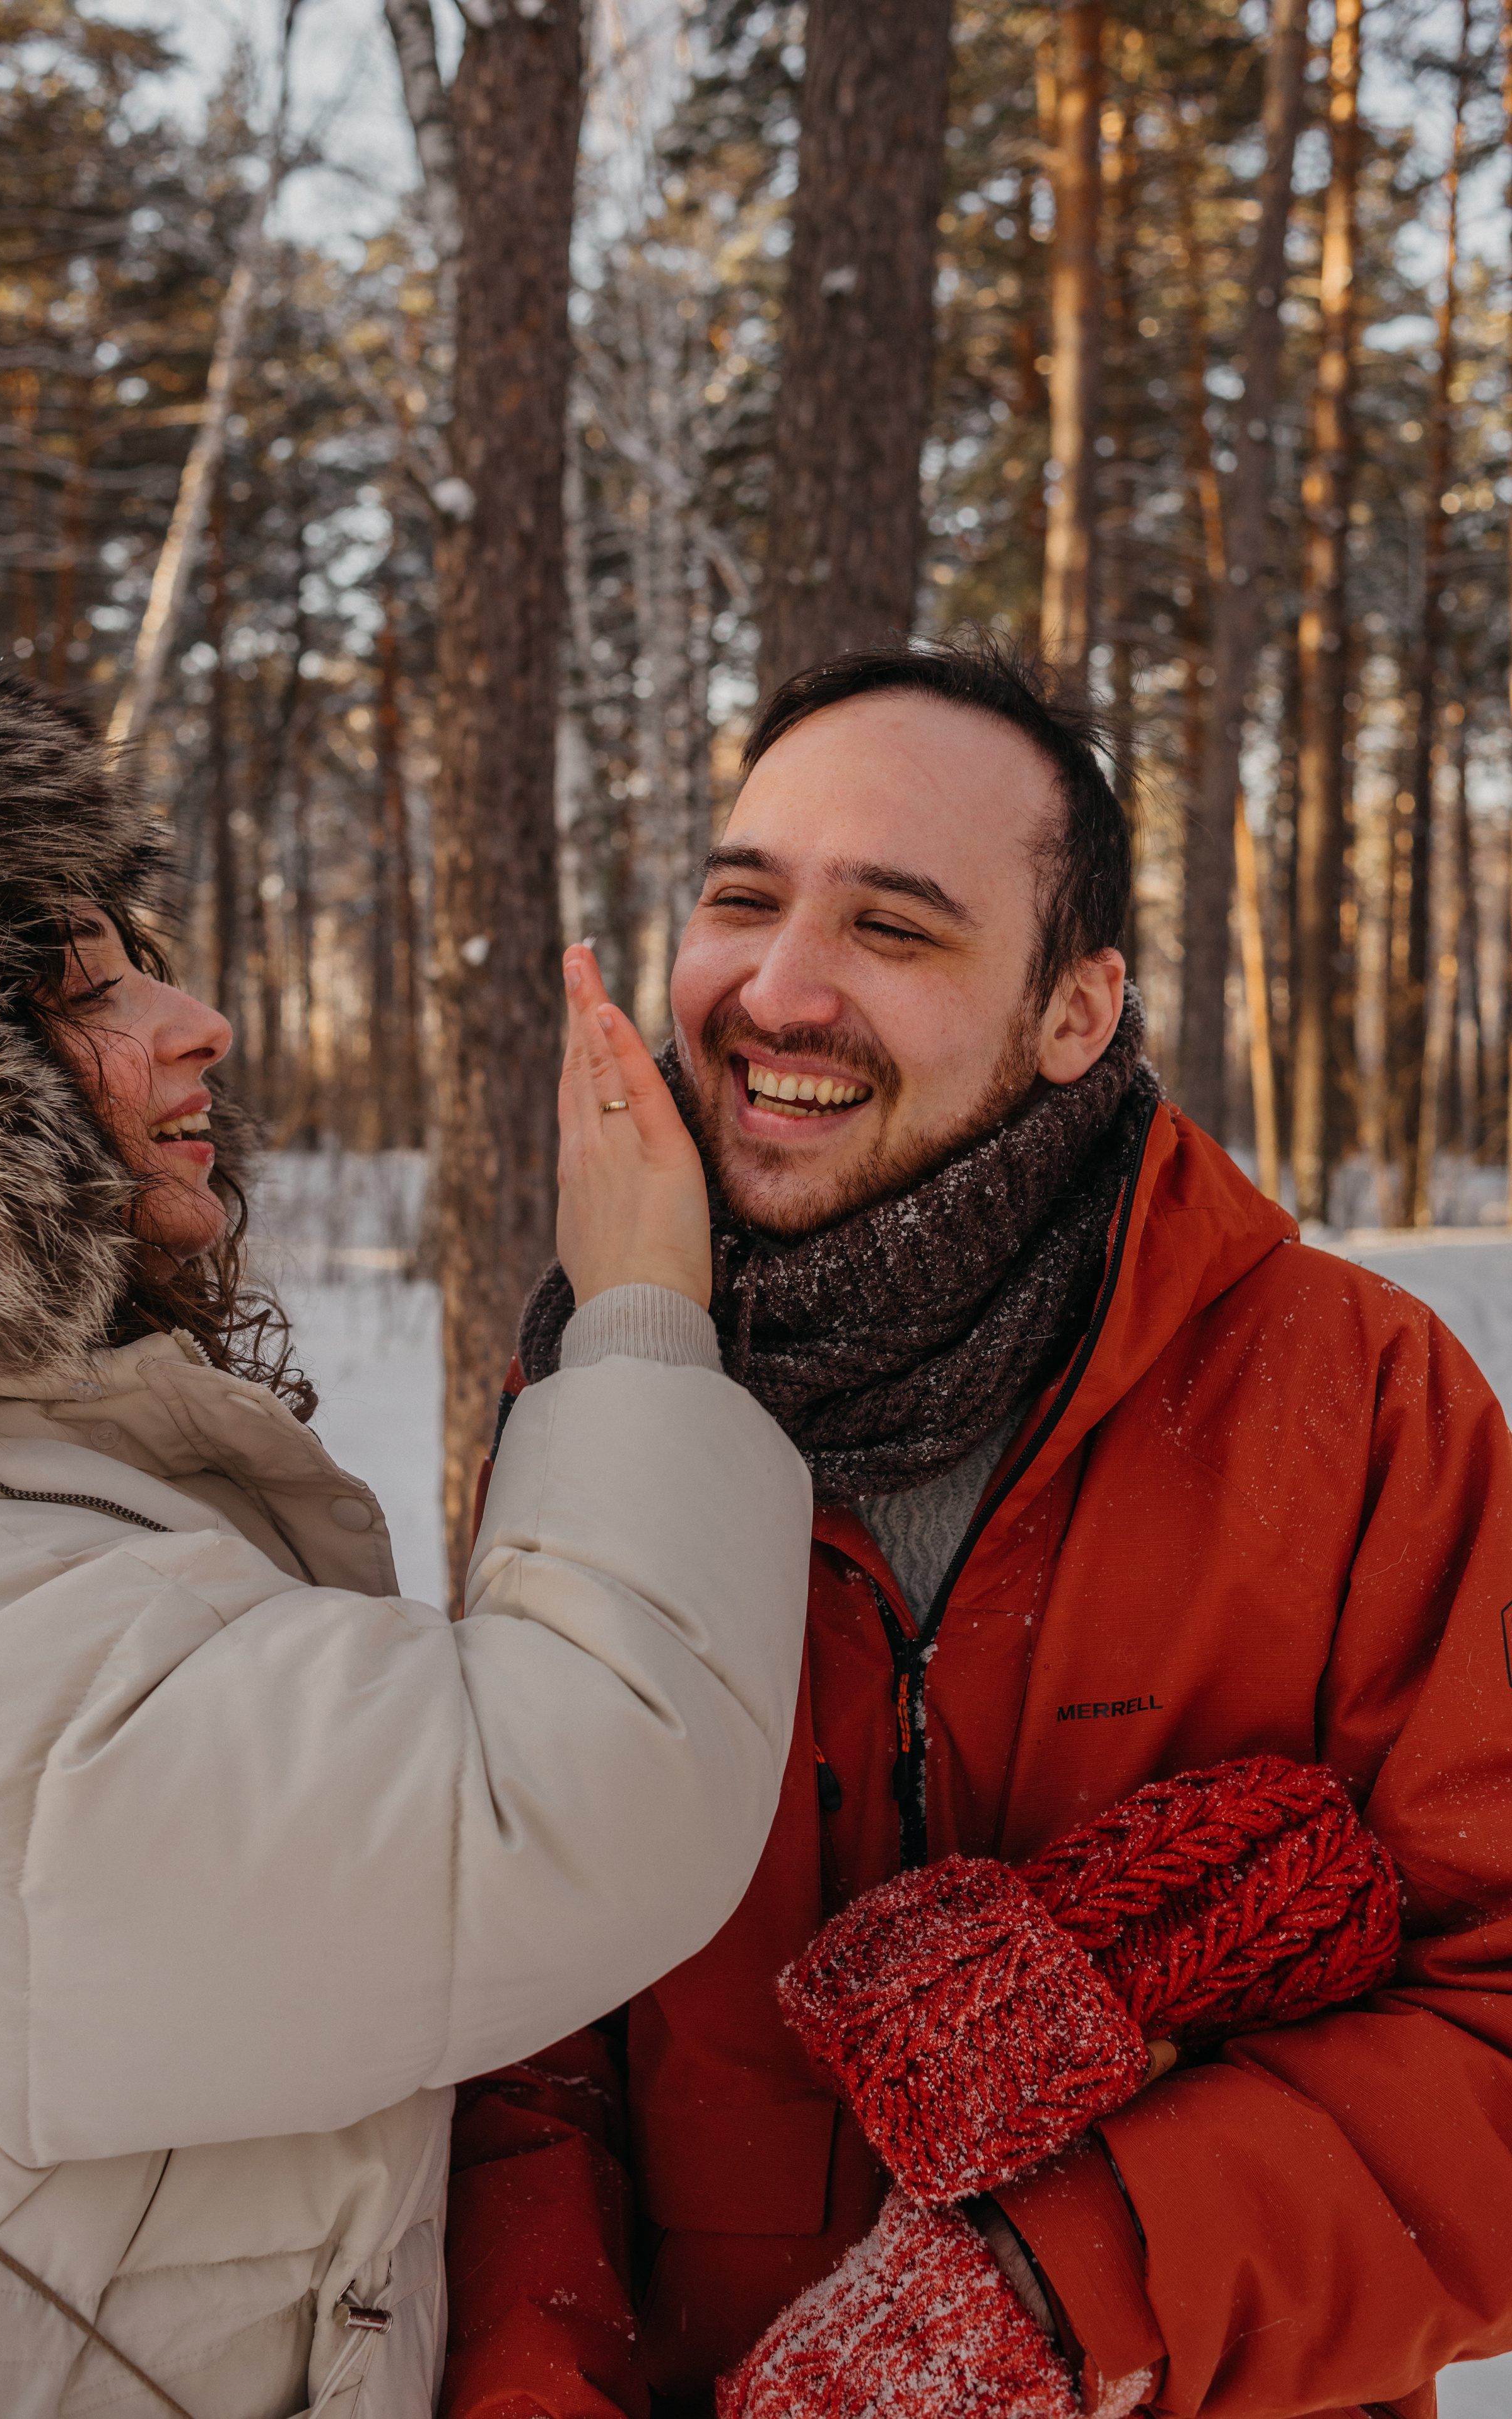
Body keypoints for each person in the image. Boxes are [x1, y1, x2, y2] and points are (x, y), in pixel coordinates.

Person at [443, 632, 1512, 2419]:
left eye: (893, 924)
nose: (778, 990)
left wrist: (1057, 2284)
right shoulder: (606, 1400)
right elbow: (520, 2048)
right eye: (745, 897)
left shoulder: (1361, 1404)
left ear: (1075, 1010)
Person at [0, 649, 814, 2416]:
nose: (193, 1019)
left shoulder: (6, 1508)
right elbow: (563, 1789)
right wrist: (634, 1309)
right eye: (75, 989)